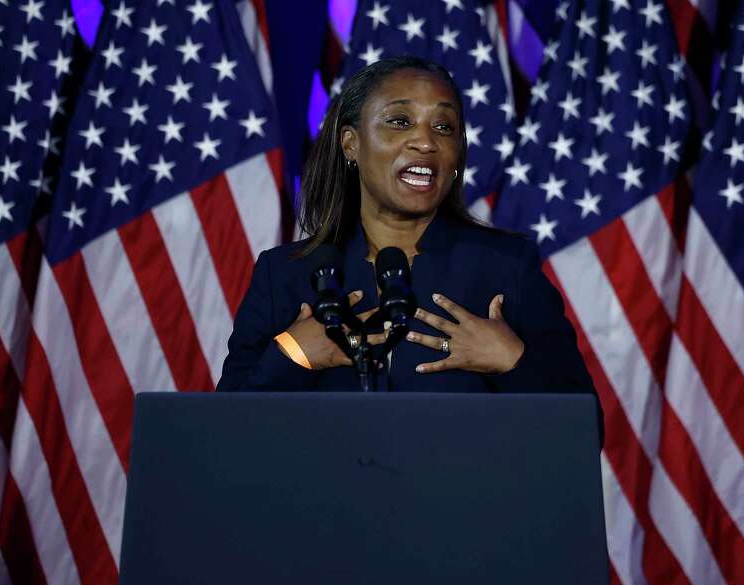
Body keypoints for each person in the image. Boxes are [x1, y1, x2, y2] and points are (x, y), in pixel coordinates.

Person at [216, 56, 595, 394]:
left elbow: (583, 429)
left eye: (444, 127)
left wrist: (512, 361)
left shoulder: (506, 268)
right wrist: (293, 356)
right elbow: (222, 437)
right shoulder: (285, 274)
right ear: (351, 144)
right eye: (400, 121)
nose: (425, 142)